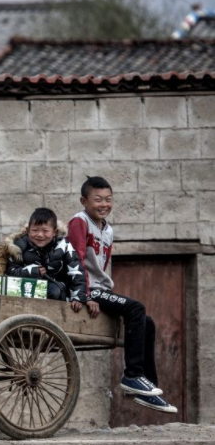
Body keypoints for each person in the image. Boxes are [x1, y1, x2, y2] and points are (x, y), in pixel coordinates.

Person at [68, 176, 177, 414]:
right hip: (88, 289)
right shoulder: (80, 221)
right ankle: (132, 376)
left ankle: (148, 388)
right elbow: (76, 259)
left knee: (147, 323)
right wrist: (85, 294)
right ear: (84, 201)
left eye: (108, 199)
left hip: (102, 289)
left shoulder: (108, 230)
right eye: (97, 200)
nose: (103, 204)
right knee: (136, 308)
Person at [5, 207, 86, 308]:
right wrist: (32, 272)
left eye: (45, 231)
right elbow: (10, 271)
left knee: (54, 291)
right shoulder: (18, 247)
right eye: (35, 230)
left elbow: (76, 272)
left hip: (57, 292)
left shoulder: (64, 246)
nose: (40, 235)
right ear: (27, 230)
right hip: (25, 290)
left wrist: (78, 297)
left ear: (55, 232)